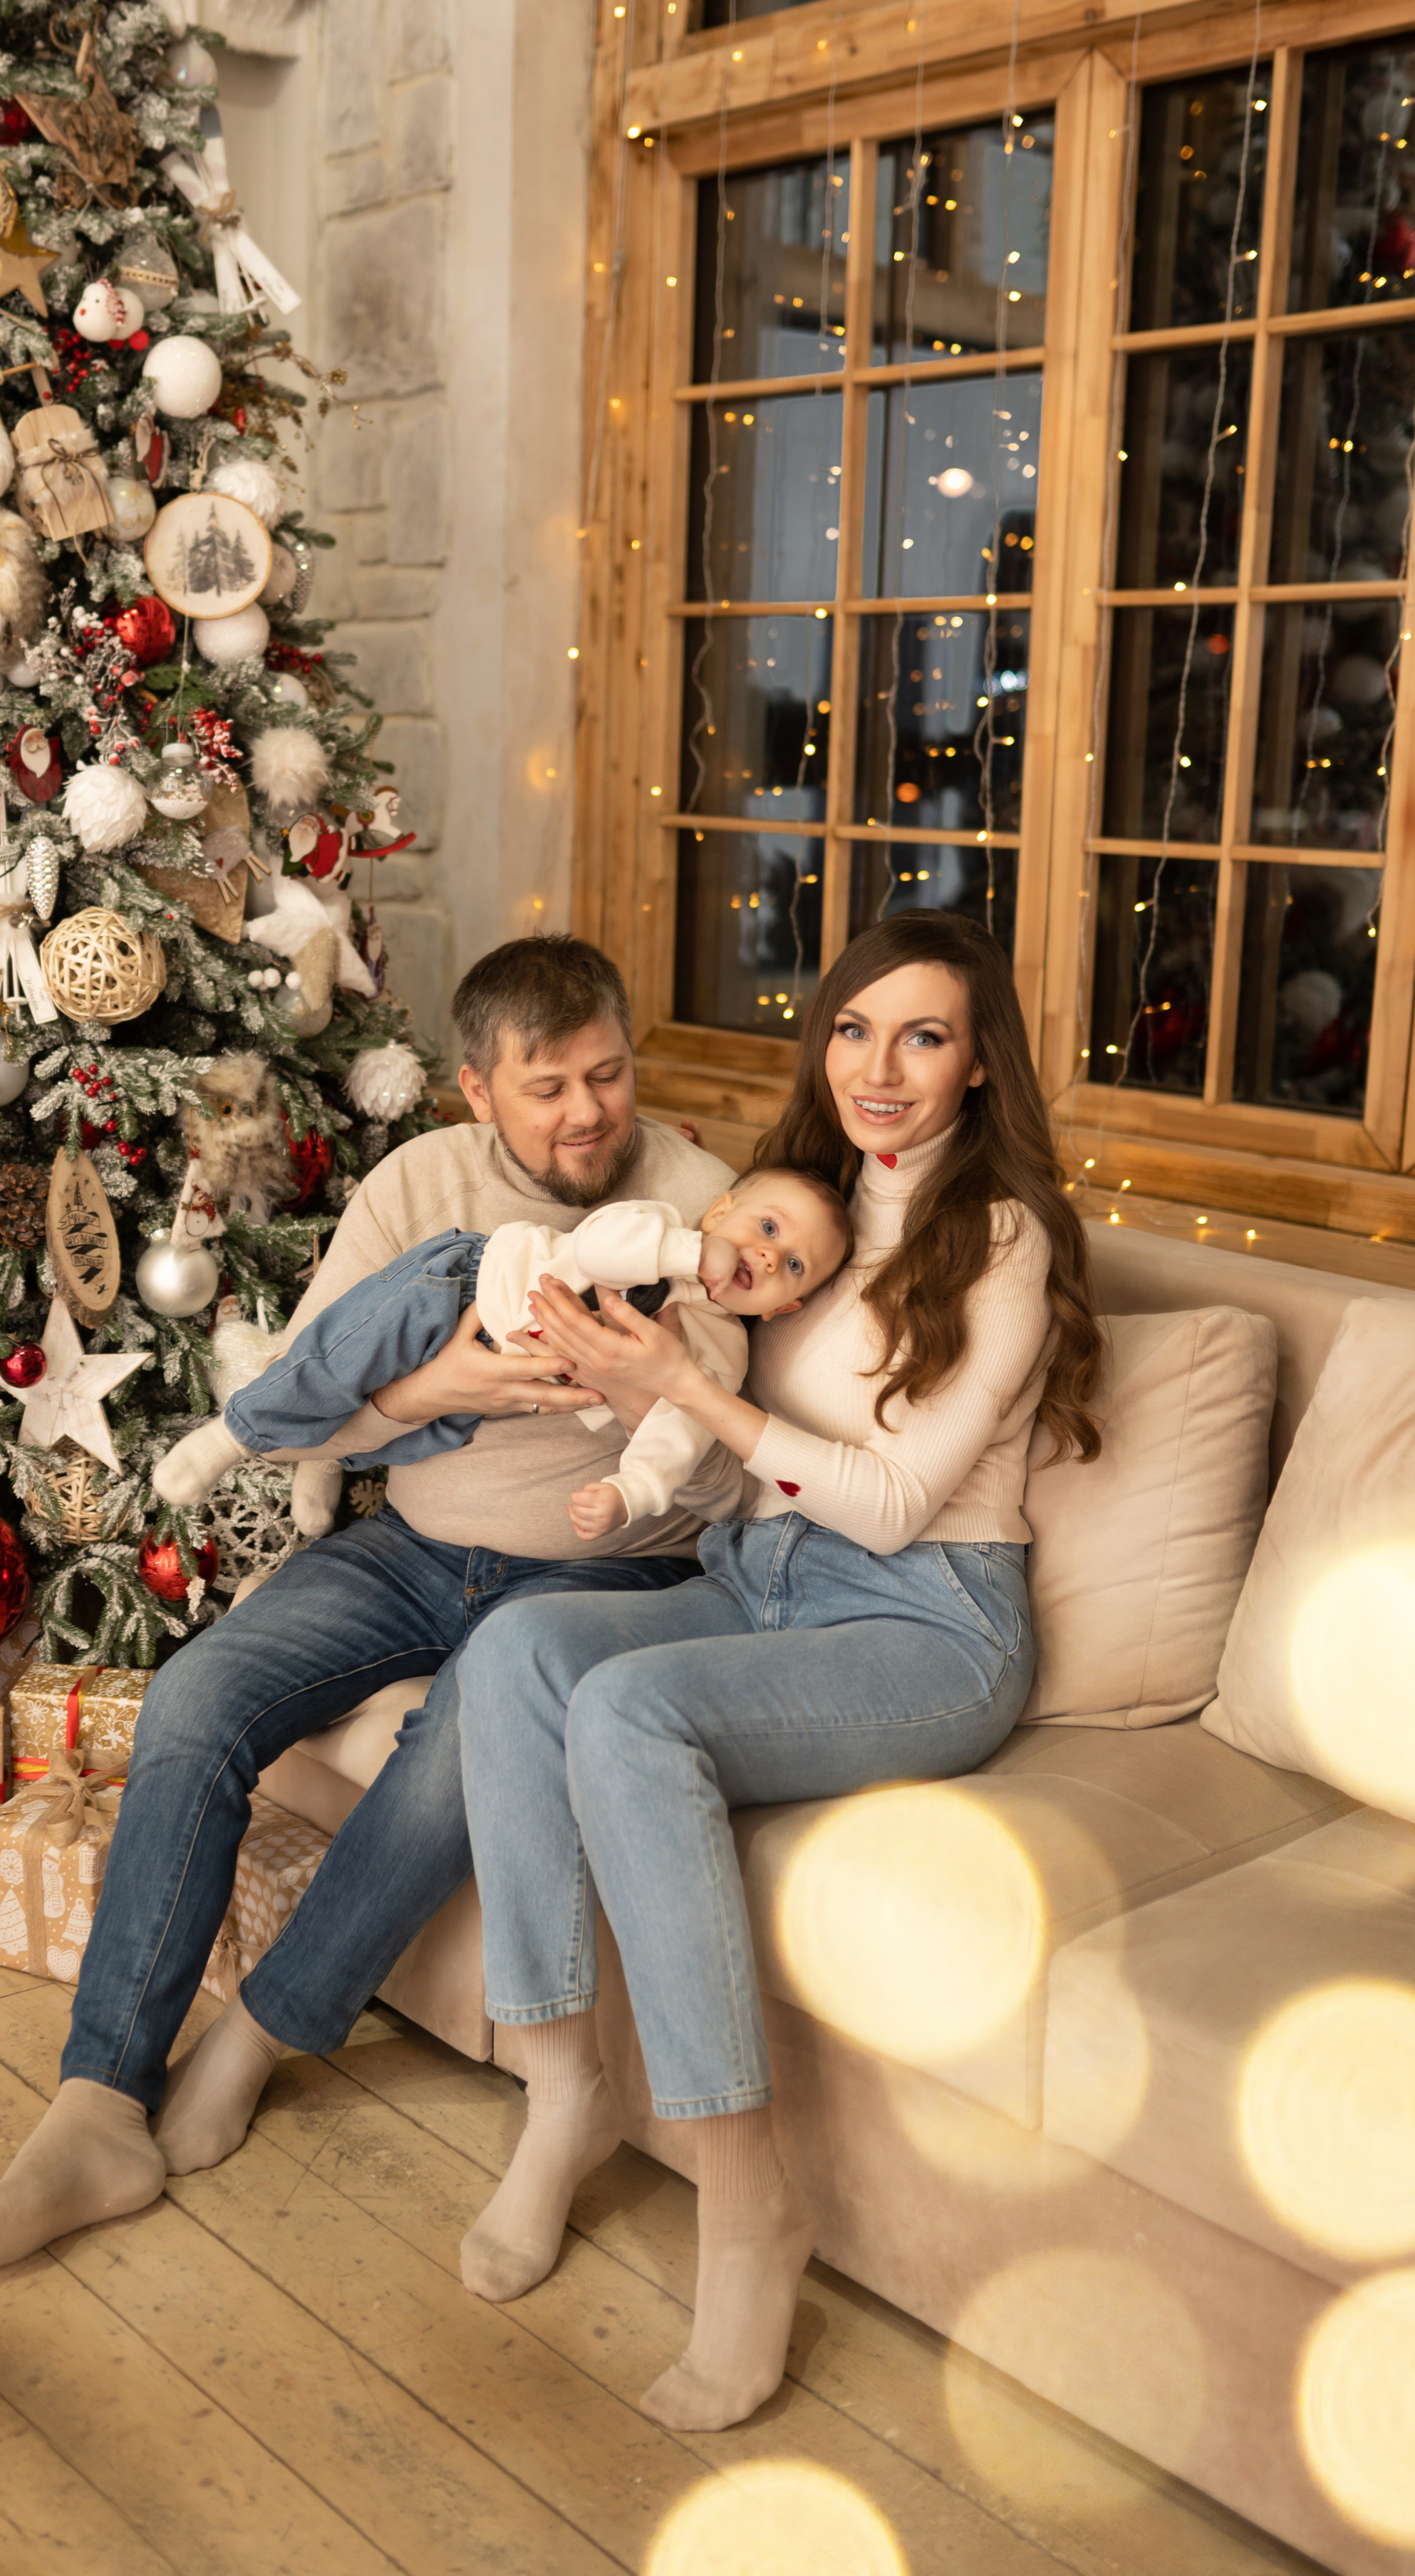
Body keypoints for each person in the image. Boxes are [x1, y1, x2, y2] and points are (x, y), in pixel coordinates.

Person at [0, 933, 747, 2270]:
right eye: (548, 1087)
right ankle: (96, 2103)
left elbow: (723, 1474)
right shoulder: (417, 1184)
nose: (591, 1113)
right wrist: (444, 1395)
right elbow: (311, 1401)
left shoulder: (700, 1207)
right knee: (198, 1698)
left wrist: (633, 1387)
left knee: (447, 1756)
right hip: (417, 1548)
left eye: (608, 1075)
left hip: (606, 1574)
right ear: (476, 1089)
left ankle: (255, 2041)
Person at [452, 913, 1103, 2431]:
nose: (880, 1068)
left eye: (924, 1036)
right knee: (520, 1647)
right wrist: (631, 1383)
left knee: (627, 1707)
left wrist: (682, 1390)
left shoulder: (1001, 1239)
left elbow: (885, 1501)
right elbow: (716, 1402)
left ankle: (745, 2205)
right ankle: (564, 2094)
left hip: (931, 1624)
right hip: (765, 1579)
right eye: (855, 1029)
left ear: (976, 1066)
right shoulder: (793, 1205)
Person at [153, 1170, 852, 1539]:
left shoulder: (721, 1353)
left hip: (517, 1380)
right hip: (462, 1288)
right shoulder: (659, 1229)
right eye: (765, 1227)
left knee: (438, 1432)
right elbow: (599, 1248)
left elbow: (683, 1431)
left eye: (793, 1266)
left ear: (784, 1310)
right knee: (350, 1353)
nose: (767, 1253)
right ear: (719, 1210)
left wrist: (630, 1491)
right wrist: (694, 1253)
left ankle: (323, 1462)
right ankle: (235, 1433)